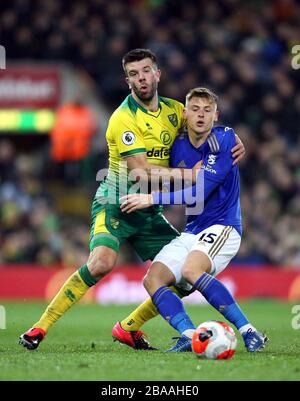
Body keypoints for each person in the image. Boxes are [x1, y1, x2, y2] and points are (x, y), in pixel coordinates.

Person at [19, 49, 245, 351]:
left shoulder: (176, 111)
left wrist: (235, 141)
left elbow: (210, 127)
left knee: (181, 278)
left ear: (157, 74)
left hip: (150, 210)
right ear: (128, 81)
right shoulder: (123, 118)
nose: (142, 78)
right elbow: (139, 171)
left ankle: (129, 328)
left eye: (146, 70)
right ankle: (39, 328)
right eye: (135, 74)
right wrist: (188, 175)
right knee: (101, 263)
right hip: (116, 201)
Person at [116, 87, 268, 352]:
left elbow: (199, 192)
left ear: (216, 116)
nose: (201, 115)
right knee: (152, 279)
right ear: (185, 113)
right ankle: (188, 334)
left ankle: (249, 331)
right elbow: (177, 189)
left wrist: (152, 199)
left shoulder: (224, 139)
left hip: (223, 225)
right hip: (192, 230)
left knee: (191, 270)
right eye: (195, 109)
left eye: (207, 110)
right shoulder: (179, 146)